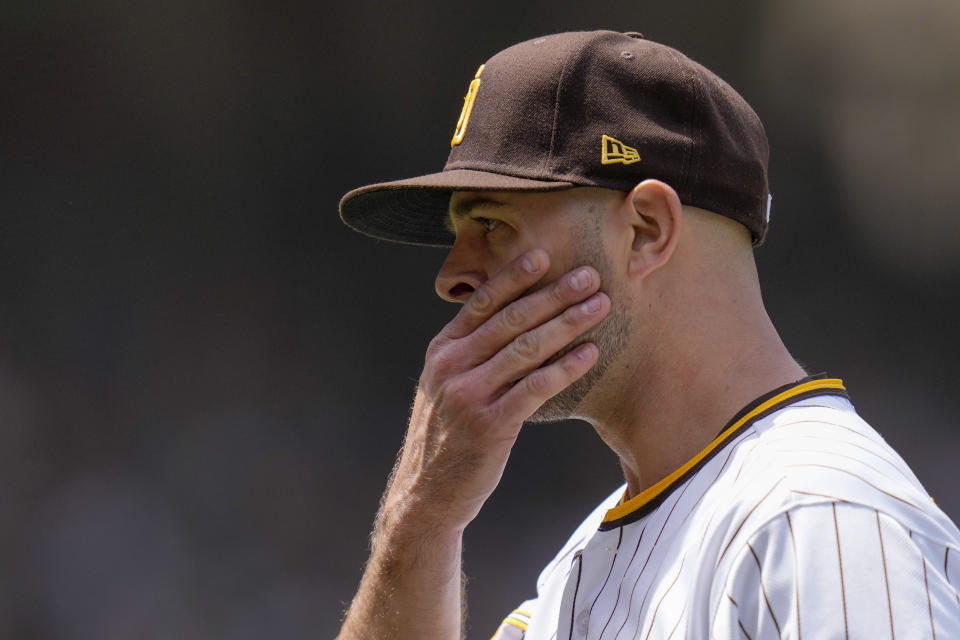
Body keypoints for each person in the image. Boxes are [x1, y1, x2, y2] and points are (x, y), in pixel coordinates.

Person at [335, 30, 960, 639]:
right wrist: (418, 522)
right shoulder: (571, 577)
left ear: (646, 231)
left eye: (493, 223)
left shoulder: (819, 519)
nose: (452, 276)